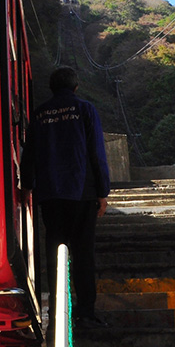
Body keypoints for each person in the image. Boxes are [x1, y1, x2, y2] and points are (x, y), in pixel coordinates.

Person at [21, 67, 110, 332]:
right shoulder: (85, 109)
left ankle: (57, 309)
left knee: (54, 249)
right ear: (76, 87)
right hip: (82, 192)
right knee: (83, 253)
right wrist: (102, 191)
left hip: (50, 194)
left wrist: (27, 187)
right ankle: (85, 312)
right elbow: (96, 151)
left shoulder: (39, 114)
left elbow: (30, 154)